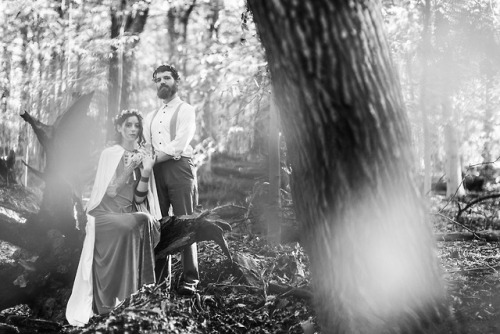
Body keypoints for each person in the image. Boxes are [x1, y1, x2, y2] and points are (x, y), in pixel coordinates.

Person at [66, 109, 162, 326]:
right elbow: (110, 191)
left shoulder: (141, 154)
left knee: (143, 220)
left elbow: (139, 198)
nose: (133, 130)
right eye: (128, 125)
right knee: (142, 221)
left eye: (137, 126)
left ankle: (136, 297)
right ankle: (136, 293)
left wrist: (146, 170)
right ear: (119, 128)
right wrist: (130, 167)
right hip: (103, 217)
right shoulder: (109, 154)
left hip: (125, 214)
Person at [143, 64, 199, 295]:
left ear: (176, 81)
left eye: (167, 78)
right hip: (156, 173)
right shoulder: (150, 116)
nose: (162, 82)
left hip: (179, 168)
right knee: (159, 223)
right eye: (158, 79)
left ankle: (190, 279)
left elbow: (180, 144)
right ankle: (160, 281)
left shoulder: (186, 110)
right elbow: (147, 146)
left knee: (186, 222)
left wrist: (154, 159)